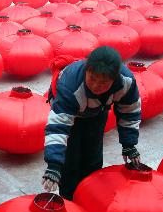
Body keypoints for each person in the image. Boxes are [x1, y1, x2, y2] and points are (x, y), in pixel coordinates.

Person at [42, 46, 142, 200]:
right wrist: (54, 165)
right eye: (92, 78)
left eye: (103, 83)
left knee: (93, 153)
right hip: (70, 110)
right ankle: (70, 199)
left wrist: (129, 144)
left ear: (114, 79)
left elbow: (129, 112)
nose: (96, 86)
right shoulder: (70, 85)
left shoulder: (126, 82)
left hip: (97, 111)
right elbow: (58, 127)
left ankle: (89, 194)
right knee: (71, 157)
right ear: (86, 70)